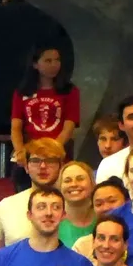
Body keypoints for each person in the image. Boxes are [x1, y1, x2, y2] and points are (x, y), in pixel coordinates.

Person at [10, 44, 79, 186]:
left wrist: (51, 151)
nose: (54, 65)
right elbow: (16, 127)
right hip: (30, 152)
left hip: (58, 151)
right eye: (48, 61)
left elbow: (69, 126)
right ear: (35, 64)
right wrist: (20, 151)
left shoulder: (70, 91)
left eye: (57, 60)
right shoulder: (22, 92)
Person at [0, 137, 66, 252]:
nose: (43, 166)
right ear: (26, 167)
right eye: (35, 161)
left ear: (61, 166)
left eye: (50, 160)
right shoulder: (6, 206)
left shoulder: (72, 204)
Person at [57, 160, 96, 249]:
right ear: (60, 187)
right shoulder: (53, 223)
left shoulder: (103, 217)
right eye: (67, 181)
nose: (74, 184)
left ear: (92, 183)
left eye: (80, 179)